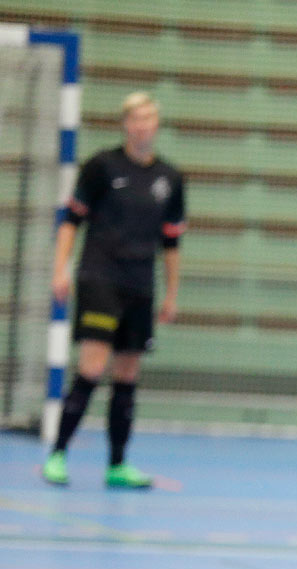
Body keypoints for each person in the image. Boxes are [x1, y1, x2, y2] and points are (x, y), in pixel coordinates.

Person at [43, 91, 186, 488]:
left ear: (156, 124)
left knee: (127, 374)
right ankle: (57, 454)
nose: (143, 125)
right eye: (135, 119)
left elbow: (172, 243)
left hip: (140, 286)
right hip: (100, 278)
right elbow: (71, 221)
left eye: (149, 118)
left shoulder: (170, 179)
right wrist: (61, 269)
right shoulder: (101, 167)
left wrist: (172, 293)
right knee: (91, 366)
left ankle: (117, 465)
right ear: (126, 124)